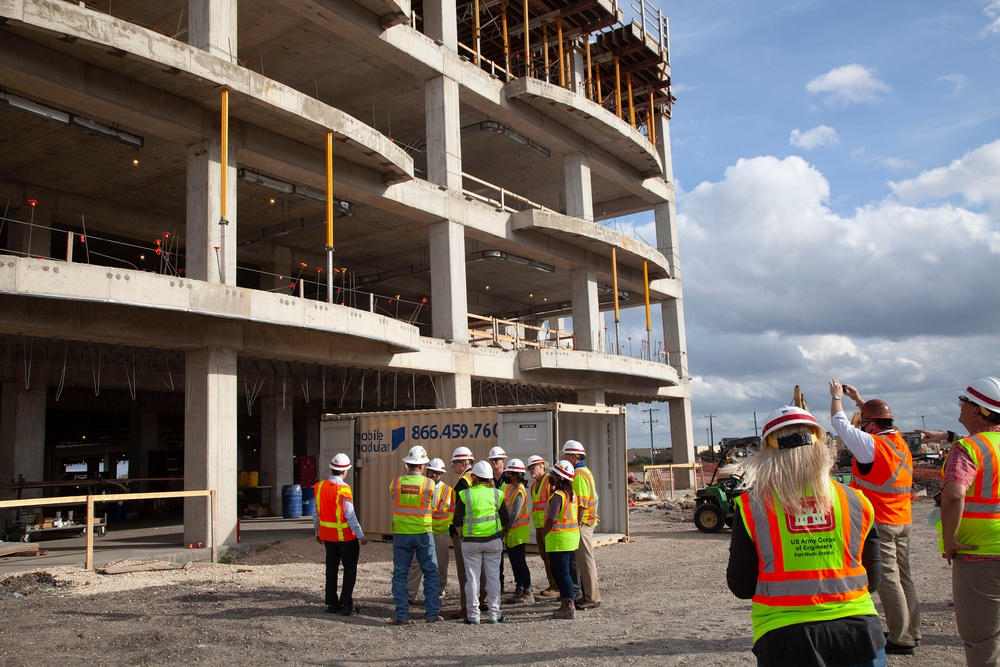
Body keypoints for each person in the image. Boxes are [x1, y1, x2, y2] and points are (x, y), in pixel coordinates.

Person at [727, 405, 885, 667]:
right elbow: (874, 579)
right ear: (821, 446)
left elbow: (741, 586)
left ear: (767, 451)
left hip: (785, 637)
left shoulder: (751, 506)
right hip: (859, 636)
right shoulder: (857, 501)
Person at [829, 380, 920, 655]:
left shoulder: (871, 444)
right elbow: (869, 420)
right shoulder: (899, 442)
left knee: (888, 579)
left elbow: (839, 423)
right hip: (903, 519)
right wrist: (859, 400)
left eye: (864, 422)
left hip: (880, 520)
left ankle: (901, 637)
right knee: (905, 577)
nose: (861, 427)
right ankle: (912, 630)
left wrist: (837, 398)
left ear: (871, 425)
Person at [925, 377, 1000, 667]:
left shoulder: (969, 448)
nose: (960, 406)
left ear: (977, 410)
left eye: (964, 402)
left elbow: (955, 495)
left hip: (979, 553)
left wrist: (950, 540)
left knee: (983, 641)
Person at [388, 445, 440, 624]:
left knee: (401, 574)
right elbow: (432, 505)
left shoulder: (396, 482)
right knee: (431, 572)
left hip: (402, 534)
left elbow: (395, 497)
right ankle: (432, 614)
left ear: (407, 464)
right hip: (423, 533)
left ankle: (402, 615)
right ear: (422, 466)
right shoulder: (430, 484)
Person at [453, 459, 509, 624]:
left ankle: (473, 616)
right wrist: (501, 533)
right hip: (493, 541)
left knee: (472, 579)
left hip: (470, 543)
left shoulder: (466, 494)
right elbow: (506, 519)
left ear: (475, 477)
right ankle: (495, 614)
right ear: (490, 477)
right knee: (493, 578)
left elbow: (457, 520)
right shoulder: (497, 494)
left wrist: (462, 537)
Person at [314, 453, 369, 616]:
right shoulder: (343, 489)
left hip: (327, 537)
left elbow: (315, 512)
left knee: (331, 569)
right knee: (349, 569)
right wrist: (361, 535)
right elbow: (350, 515)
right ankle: (345, 604)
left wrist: (317, 531)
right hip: (345, 537)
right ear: (345, 471)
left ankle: (332, 604)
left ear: (332, 468)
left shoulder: (319, 486)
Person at [407, 457, 453, 606]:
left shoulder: (448, 490)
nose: (434, 475)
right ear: (427, 470)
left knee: (441, 564)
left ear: (442, 474)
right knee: (416, 563)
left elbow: (451, 512)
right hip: (423, 530)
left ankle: (438, 592)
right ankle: (410, 594)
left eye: (438, 473)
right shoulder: (422, 485)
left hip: (440, 532)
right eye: (432, 471)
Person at [562, 439, 600, 609]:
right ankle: (588, 594)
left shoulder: (579, 474)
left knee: (585, 560)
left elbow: (581, 503)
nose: (564, 458)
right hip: (586, 521)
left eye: (566, 455)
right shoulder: (585, 472)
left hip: (583, 523)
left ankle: (592, 597)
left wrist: (576, 524)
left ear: (572, 456)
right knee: (584, 560)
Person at [544, 459, 580, 620]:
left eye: (554, 474)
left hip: (558, 539)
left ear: (560, 478)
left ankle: (568, 605)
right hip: (570, 538)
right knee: (563, 572)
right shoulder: (571, 494)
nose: (551, 476)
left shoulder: (558, 496)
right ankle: (567, 602)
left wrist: (544, 533)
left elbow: (551, 518)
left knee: (561, 573)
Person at [448, 446, 475, 620]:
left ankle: (467, 607)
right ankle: (480, 600)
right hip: (478, 532)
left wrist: (458, 535)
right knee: (478, 570)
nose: (452, 466)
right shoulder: (479, 479)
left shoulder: (461, 484)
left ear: (463, 463)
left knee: (464, 572)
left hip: (463, 533)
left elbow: (458, 513)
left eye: (455, 463)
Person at [527, 454, 560, 597]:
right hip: (539, 526)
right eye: (529, 469)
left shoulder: (550, 481)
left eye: (533, 468)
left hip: (549, 526)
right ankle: (552, 584)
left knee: (552, 557)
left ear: (542, 466)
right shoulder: (534, 486)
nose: (531, 471)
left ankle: (556, 586)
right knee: (545, 557)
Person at [502, 458, 533, 604]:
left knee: (520, 562)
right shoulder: (510, 488)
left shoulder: (519, 491)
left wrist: (504, 527)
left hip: (517, 532)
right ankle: (519, 588)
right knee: (515, 563)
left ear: (515, 474)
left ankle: (527, 590)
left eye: (509, 473)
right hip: (511, 533)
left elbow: (514, 514)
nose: (507, 475)